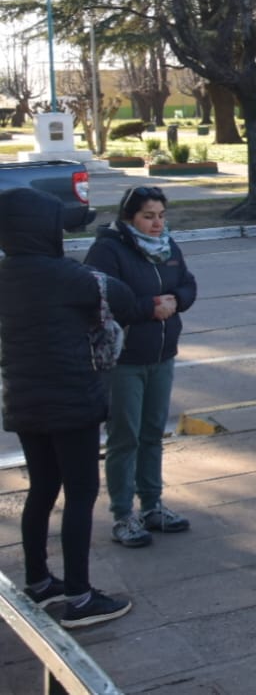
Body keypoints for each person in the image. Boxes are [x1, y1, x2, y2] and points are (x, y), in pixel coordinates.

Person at [0, 188, 139, 628]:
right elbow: (124, 299)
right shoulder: (68, 277)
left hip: (26, 400)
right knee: (80, 494)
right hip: (71, 401)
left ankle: (39, 582)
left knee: (42, 488)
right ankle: (79, 598)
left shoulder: (6, 274)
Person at [84, 186, 199, 548]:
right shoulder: (109, 249)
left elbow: (188, 284)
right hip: (125, 360)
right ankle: (123, 514)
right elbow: (98, 300)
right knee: (125, 437)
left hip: (162, 355)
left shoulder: (167, 245)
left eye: (161, 215)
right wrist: (148, 308)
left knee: (152, 433)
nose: (157, 223)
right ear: (129, 216)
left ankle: (153, 505)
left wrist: (177, 300)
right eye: (149, 216)